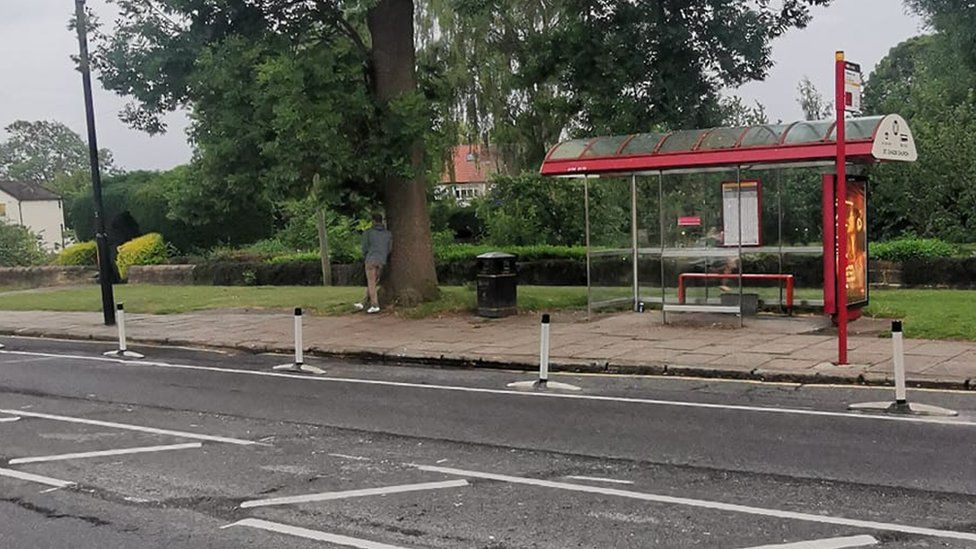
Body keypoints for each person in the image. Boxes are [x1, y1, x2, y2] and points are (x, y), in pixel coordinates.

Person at [355, 213, 392, 314]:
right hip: (382, 260)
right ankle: (363, 302)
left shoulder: (368, 233)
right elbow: (389, 249)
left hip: (371, 259)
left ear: (373, 221)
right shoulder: (388, 234)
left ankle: (375, 305)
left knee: (371, 282)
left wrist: (366, 254)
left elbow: (364, 248)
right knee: (373, 282)